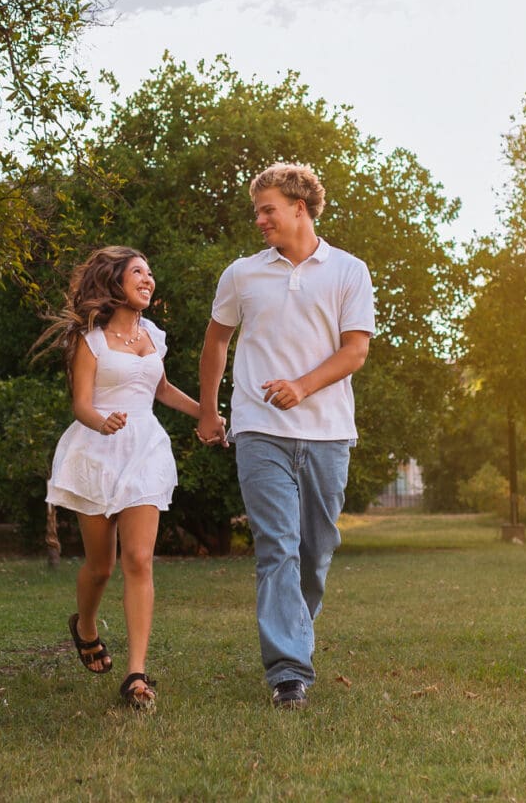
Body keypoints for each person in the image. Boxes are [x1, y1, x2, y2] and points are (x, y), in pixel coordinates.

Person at [197, 163, 375, 710]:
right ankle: (288, 673)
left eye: (268, 208)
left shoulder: (348, 270)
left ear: (301, 207)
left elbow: (355, 351)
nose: (260, 220)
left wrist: (301, 386)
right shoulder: (242, 275)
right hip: (259, 430)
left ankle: (292, 634)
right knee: (277, 547)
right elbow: (215, 344)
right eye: (257, 211)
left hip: (326, 434)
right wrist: (210, 411)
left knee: (316, 552)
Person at [38, 245, 208, 712]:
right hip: (96, 451)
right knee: (101, 566)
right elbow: (81, 404)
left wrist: (206, 415)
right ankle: (86, 627)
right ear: (114, 282)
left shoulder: (153, 334)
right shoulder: (88, 342)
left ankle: (136, 674)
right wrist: (101, 423)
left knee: (138, 558)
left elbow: (162, 389)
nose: (149, 279)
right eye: (138, 272)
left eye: (150, 273)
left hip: (145, 450)